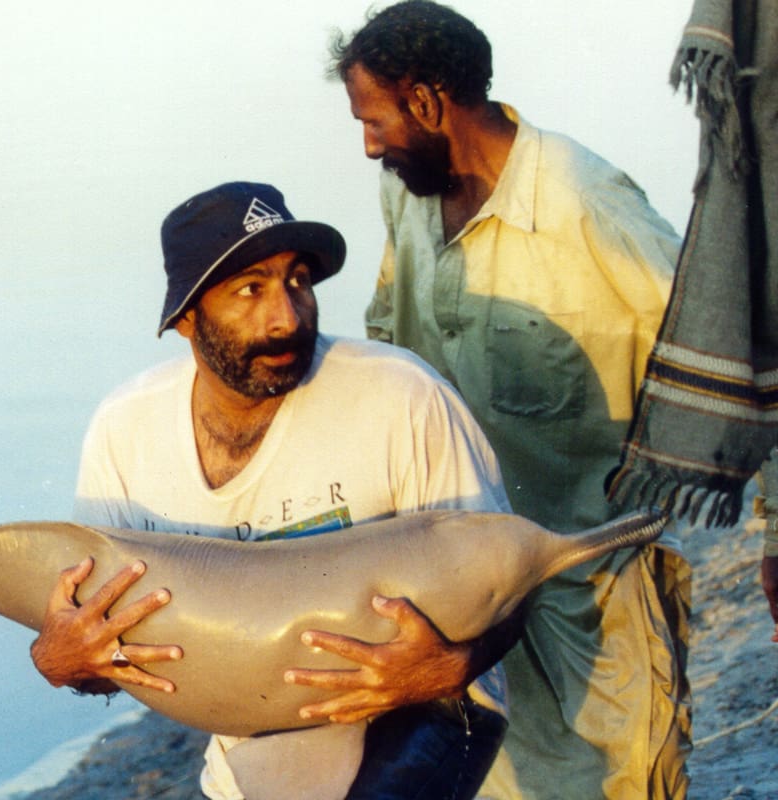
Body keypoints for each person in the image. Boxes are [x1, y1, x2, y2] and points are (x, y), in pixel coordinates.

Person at [29, 180, 521, 799]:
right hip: (253, 717)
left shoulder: (401, 397)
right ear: (186, 317)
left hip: (426, 697)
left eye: (298, 282)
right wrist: (63, 662)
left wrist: (453, 667)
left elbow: (512, 577)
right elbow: (107, 641)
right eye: (250, 290)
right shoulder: (125, 431)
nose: (287, 318)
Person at [329, 2, 690, 797]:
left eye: (374, 120)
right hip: (457, 595)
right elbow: (390, 344)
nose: (368, 145)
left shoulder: (588, 203)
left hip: (589, 592)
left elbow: (729, 350)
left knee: (619, 783)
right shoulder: (411, 196)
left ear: (427, 104)